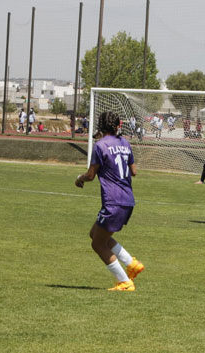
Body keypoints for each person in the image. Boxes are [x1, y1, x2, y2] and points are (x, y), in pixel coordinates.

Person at [75, 111, 145, 292]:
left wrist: (79, 178)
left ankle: (124, 281)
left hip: (113, 201)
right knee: (95, 233)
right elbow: (134, 171)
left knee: (97, 244)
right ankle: (132, 263)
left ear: (100, 126)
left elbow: (90, 175)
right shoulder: (125, 143)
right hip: (128, 200)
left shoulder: (100, 145)